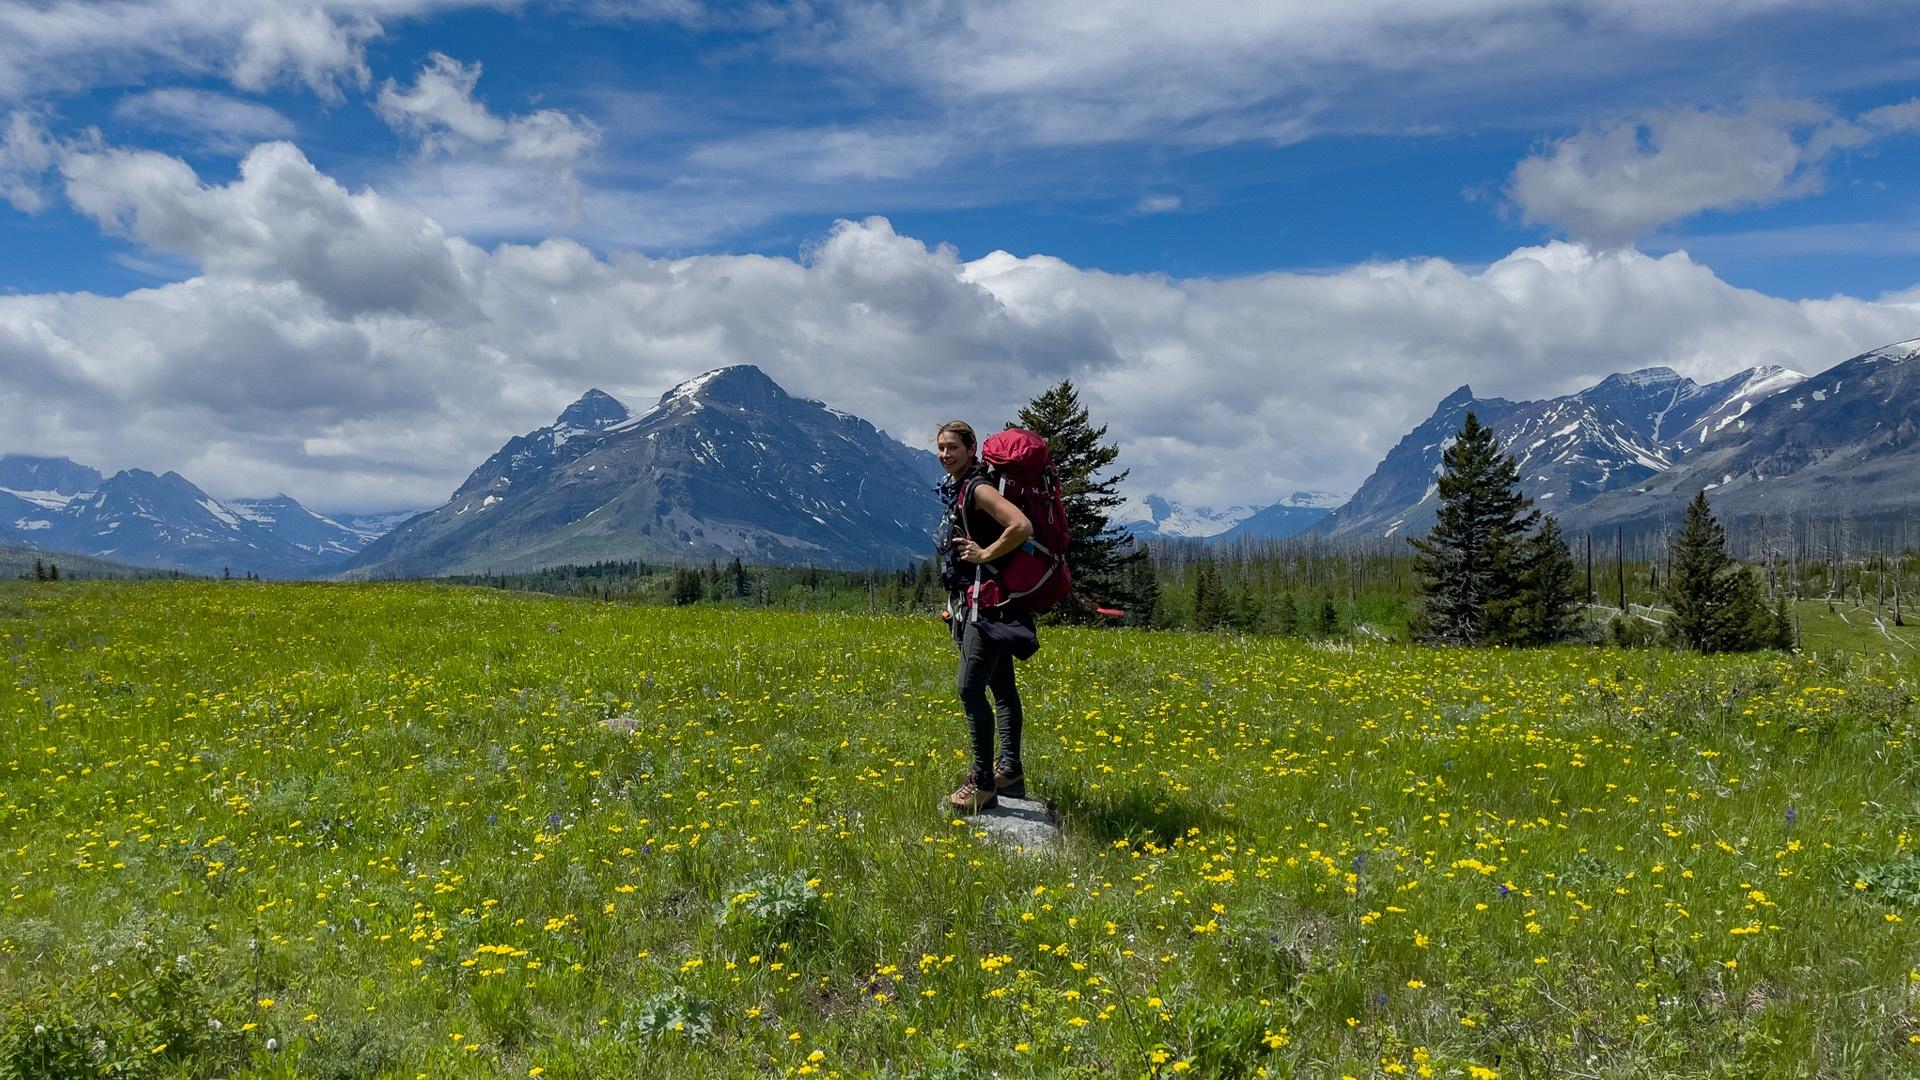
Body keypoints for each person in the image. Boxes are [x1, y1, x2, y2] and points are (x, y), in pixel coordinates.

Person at [935, 420, 1036, 814]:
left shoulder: (978, 488)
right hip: (990, 603)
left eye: (952, 448)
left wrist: (984, 554)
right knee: (1003, 687)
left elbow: (1021, 526)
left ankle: (982, 783)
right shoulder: (965, 486)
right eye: (941, 448)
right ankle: (1008, 771)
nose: (945, 455)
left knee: (968, 689)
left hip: (987, 607)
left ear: (971, 447)